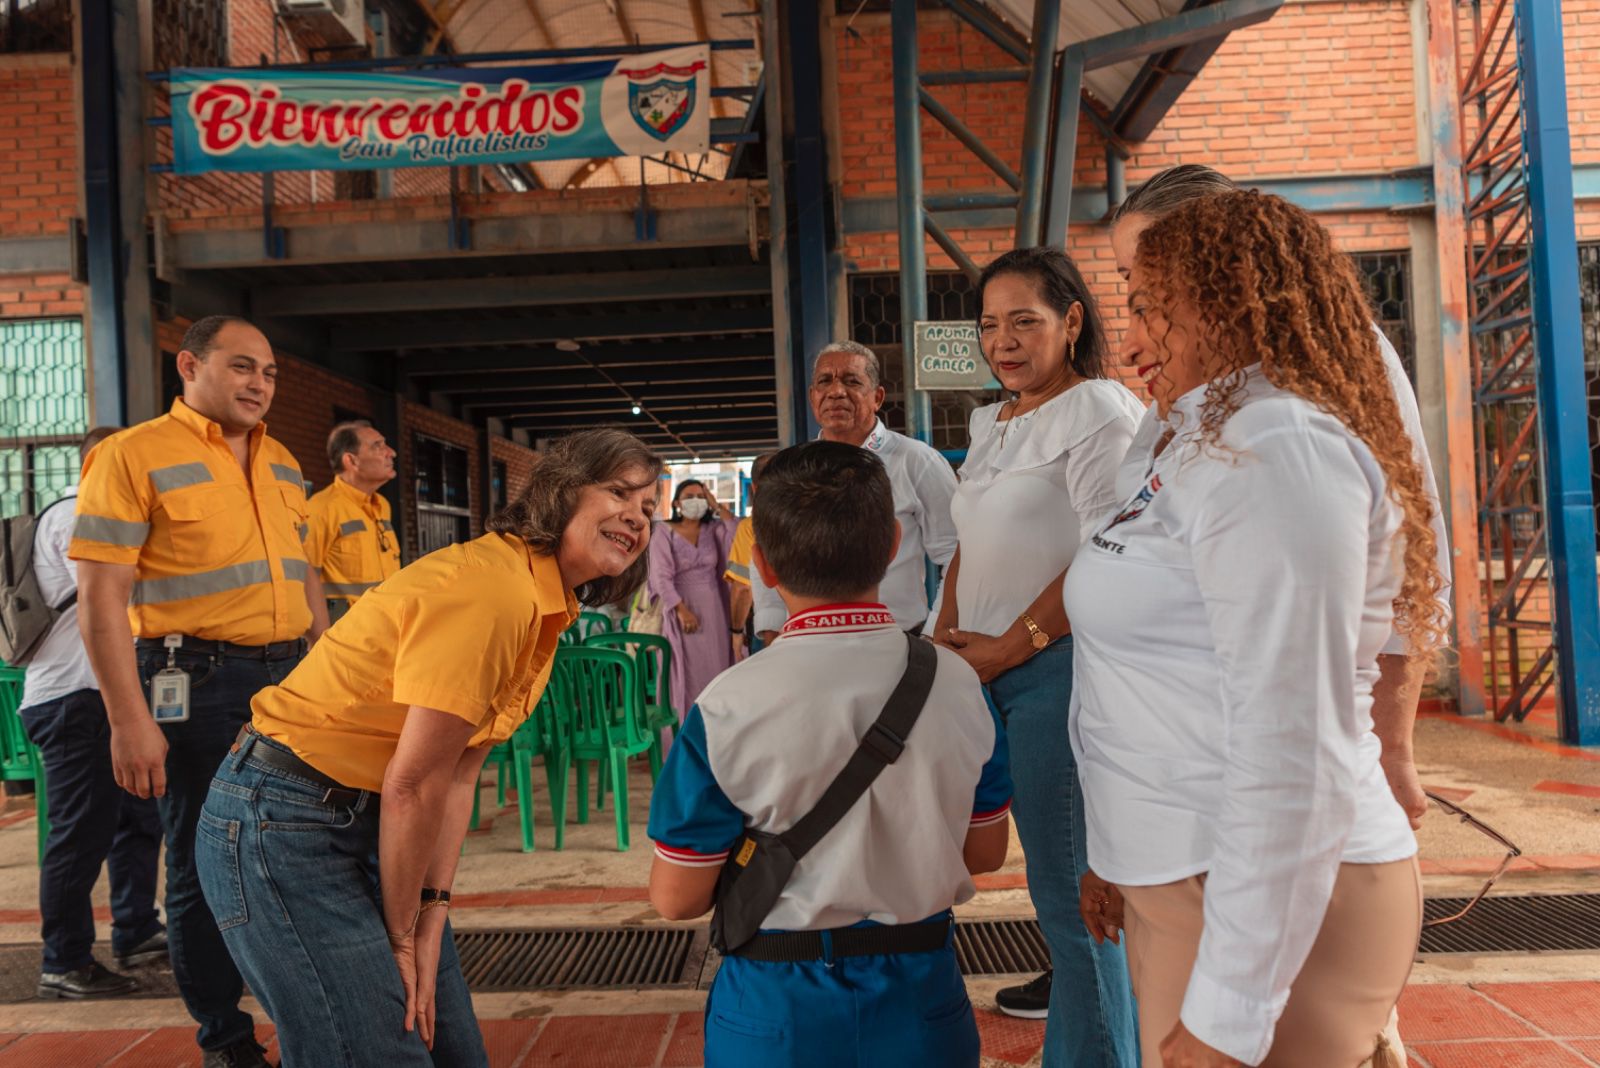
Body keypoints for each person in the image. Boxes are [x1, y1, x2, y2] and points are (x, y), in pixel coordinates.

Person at [1069, 191, 1441, 1068]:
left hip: (1260, 897)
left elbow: (1291, 749)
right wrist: (1117, 849)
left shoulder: (1276, 446)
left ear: (1230, 301)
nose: (1128, 345)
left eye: (1150, 309)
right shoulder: (1205, 436)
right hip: (1195, 873)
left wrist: (1229, 1019)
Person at [195, 429, 660, 1064]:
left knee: (452, 1048)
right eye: (619, 492)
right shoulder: (494, 589)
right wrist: (399, 936)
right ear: (561, 491)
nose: (637, 516)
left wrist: (431, 915)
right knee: (381, 1049)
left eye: (649, 508)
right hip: (285, 820)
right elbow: (414, 783)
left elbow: (459, 775)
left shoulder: (546, 603)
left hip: (368, 818)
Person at [1107, 164, 1452, 833]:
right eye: (1129, 282)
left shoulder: (1321, 380)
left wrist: (1394, 751)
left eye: (1149, 281)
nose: (1136, 310)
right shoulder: (1191, 379)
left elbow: (1408, 557)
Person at [647, 441, 1012, 1068]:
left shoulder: (726, 706)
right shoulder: (960, 686)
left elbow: (678, 897)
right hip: (923, 1004)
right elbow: (984, 853)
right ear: (895, 543)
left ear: (760, 564)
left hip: (775, 1014)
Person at [71, 315, 330, 1068]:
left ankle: (307, 1016)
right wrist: (128, 720)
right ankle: (226, 1040)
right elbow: (99, 598)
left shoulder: (282, 460)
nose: (260, 384)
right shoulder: (132, 455)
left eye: (271, 372)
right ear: (189, 365)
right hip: (196, 681)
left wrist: (323, 658)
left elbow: (301, 570)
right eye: (243, 367)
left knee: (296, 848)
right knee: (200, 856)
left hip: (289, 678)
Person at [930, 248, 1143, 1065]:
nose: (1004, 341)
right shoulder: (993, 422)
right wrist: (946, 643)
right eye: (990, 324)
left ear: (1072, 322)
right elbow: (966, 545)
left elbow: (1107, 546)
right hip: (979, 674)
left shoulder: (1100, 410)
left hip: (1055, 674)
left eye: (1026, 321)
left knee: (1072, 899)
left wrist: (1012, 648)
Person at [21, 426, 166, 1000]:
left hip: (108, 697)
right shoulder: (77, 514)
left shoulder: (97, 513)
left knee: (137, 821)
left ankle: (135, 929)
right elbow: (117, 588)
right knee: (80, 835)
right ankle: (64, 961)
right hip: (72, 701)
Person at [810, 341, 958, 635]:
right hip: (816, 645)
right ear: (813, 397)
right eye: (825, 381)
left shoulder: (916, 460)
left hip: (901, 639)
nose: (836, 392)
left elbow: (958, 552)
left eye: (852, 382)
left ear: (877, 397)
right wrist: (773, 629)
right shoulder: (798, 469)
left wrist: (936, 627)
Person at [649, 479, 736, 718]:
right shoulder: (663, 532)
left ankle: (716, 735)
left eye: (701, 496)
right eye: (689, 496)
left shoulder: (714, 530)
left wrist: (716, 505)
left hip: (715, 610)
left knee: (716, 669)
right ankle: (684, 733)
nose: (695, 501)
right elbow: (660, 576)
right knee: (685, 672)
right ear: (677, 503)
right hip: (679, 608)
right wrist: (681, 610)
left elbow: (736, 533)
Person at [306, 420, 401, 623]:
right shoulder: (321, 509)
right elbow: (302, 581)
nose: (391, 452)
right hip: (344, 637)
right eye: (378, 446)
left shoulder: (383, 505)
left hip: (386, 627)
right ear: (351, 461)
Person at [724, 452, 776, 655]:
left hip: (768, 629)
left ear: (754, 487)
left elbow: (743, 589)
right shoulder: (815, 520)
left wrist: (736, 632)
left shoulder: (751, 527)